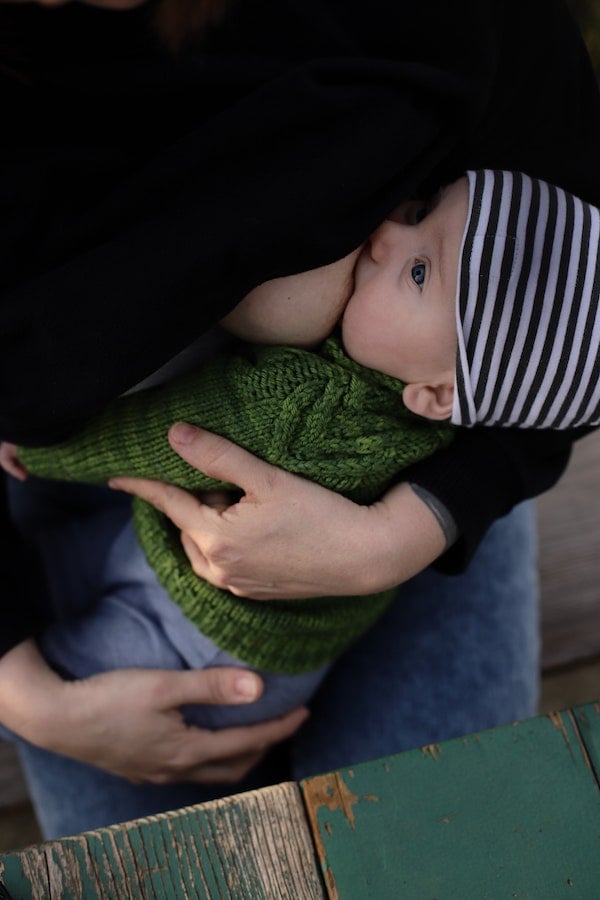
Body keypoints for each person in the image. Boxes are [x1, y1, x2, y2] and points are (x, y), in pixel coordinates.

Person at [0, 0, 599, 839]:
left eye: (419, 230)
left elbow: (571, 321)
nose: (389, 235)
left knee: (432, 852)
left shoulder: (458, 33)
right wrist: (22, 690)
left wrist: (404, 532)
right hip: (98, 532)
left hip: (421, 501)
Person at [3, 167, 599, 733]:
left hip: (202, 643)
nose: (388, 232)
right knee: (52, 572)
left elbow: (150, 437)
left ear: (436, 395)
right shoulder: (422, 408)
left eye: (419, 272)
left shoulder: (306, 402)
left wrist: (32, 443)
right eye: (422, 208)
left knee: (69, 673)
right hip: (231, 603)